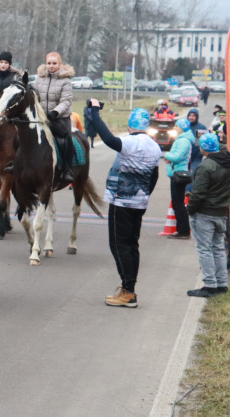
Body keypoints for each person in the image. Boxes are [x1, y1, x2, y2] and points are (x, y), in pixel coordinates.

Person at [83, 102, 162, 308]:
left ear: (129, 125)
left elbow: (108, 139)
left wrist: (94, 113)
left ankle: (128, 291)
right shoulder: (154, 146)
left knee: (119, 245)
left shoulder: (130, 142)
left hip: (122, 200)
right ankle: (129, 288)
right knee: (132, 244)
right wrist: (144, 195)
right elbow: (154, 176)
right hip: (139, 201)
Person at [186, 132, 230, 297]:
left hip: (205, 212)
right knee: (218, 247)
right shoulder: (227, 162)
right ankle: (222, 283)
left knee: (204, 249)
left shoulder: (206, 166)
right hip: (221, 211)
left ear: (204, 148)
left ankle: (210, 285)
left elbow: (198, 193)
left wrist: (190, 209)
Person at [32, 51, 75, 184]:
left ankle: (67, 169)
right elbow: (34, 94)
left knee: (66, 139)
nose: (51, 66)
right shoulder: (39, 78)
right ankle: (16, 163)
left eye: (54, 63)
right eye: (49, 63)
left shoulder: (65, 81)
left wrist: (55, 112)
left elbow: (66, 101)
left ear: (60, 64)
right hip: (41, 117)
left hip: (59, 118)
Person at [162, 117, 195, 239]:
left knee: (178, 203)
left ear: (182, 127)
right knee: (177, 202)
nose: (175, 128)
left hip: (179, 174)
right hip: (176, 173)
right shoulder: (182, 139)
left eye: (177, 126)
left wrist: (167, 155)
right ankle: (182, 229)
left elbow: (177, 156)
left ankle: (183, 230)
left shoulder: (184, 141)